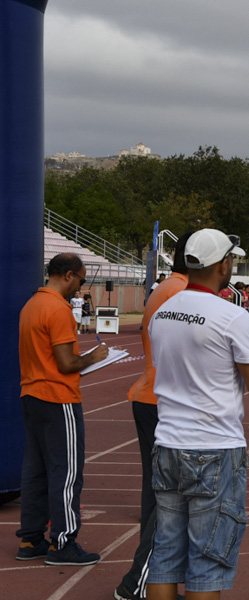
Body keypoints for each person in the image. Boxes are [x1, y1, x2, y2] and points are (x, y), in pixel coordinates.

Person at [145, 229, 249, 600]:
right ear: (223, 265)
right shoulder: (232, 316)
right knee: (208, 562)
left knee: (165, 554)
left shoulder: (161, 311)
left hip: (167, 441)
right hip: (214, 446)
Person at [15, 253, 109, 566]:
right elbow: (67, 363)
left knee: (35, 470)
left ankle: (30, 538)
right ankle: (63, 543)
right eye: (81, 280)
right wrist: (95, 357)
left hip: (31, 393)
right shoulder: (58, 309)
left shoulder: (31, 305)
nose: (81, 286)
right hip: (58, 398)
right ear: (68, 275)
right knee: (66, 473)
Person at [113, 232, 191, 600]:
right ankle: (139, 582)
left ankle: (153, 579)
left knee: (159, 494)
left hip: (153, 395)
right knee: (171, 497)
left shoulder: (167, 288)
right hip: (164, 400)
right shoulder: (180, 294)